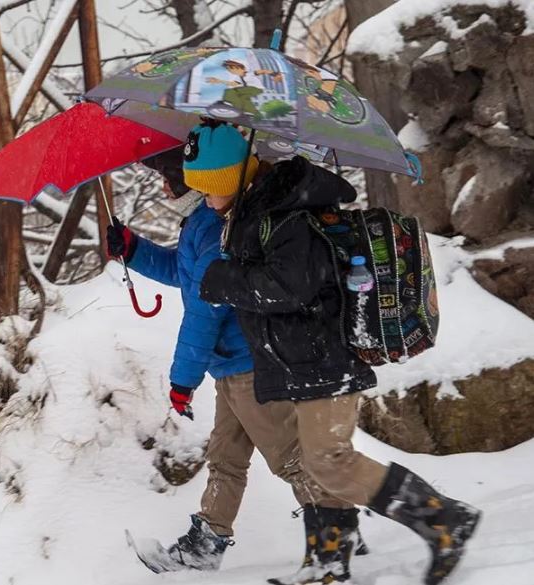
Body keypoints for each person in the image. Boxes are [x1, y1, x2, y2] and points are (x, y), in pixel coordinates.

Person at [190, 121, 481, 585]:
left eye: (206, 188)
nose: (202, 199)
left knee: (329, 460)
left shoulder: (285, 217)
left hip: (324, 357)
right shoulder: (256, 214)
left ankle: (444, 519)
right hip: (300, 360)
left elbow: (291, 287)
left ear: (229, 179)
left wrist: (224, 279)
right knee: (318, 460)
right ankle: (328, 563)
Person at [106, 127, 362, 579]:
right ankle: (206, 543)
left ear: (191, 181)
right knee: (225, 456)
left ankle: (337, 534)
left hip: (247, 363)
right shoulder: (199, 224)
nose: (165, 188)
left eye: (169, 179)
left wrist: (183, 380)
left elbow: (203, 313)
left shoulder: (213, 227)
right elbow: (184, 275)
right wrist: (135, 250)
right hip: (230, 365)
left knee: (289, 458)